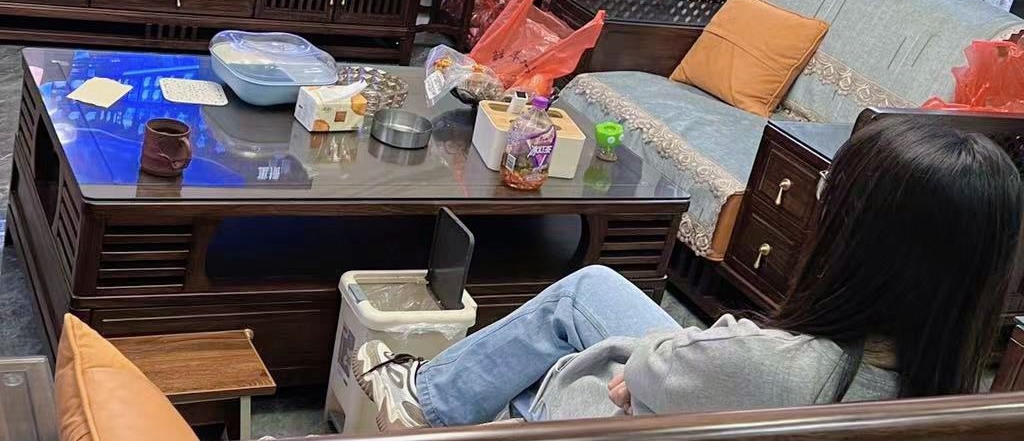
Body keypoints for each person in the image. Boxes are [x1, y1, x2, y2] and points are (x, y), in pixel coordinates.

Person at [356, 117, 1023, 428]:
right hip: (727, 378)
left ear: (857, 242)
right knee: (592, 289)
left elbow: (653, 374)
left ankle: (426, 406)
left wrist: (651, 366)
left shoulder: (785, 366)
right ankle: (431, 392)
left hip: (586, 417)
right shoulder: (957, 394)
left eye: (830, 197)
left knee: (581, 336)